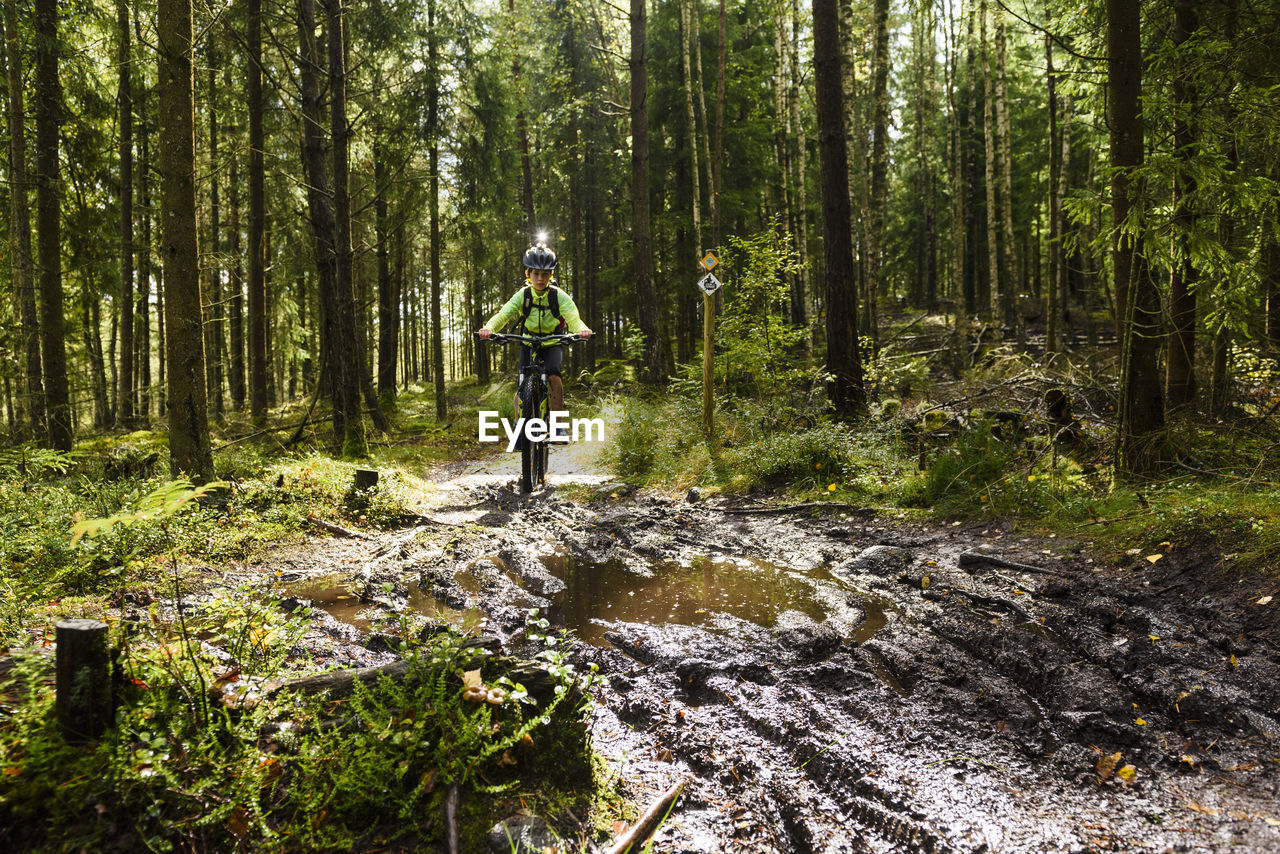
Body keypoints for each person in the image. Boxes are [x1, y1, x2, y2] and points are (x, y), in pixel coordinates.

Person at [477, 244, 592, 440]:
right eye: (536, 274)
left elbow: (573, 317)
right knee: (523, 383)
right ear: (528, 273)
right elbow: (504, 315)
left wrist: (581, 329)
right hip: (529, 342)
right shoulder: (523, 295)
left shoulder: (559, 296)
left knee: (554, 377)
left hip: (552, 342)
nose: (540, 279)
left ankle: (557, 427)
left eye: (545, 274)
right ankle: (518, 427)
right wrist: (489, 328)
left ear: (551, 274)